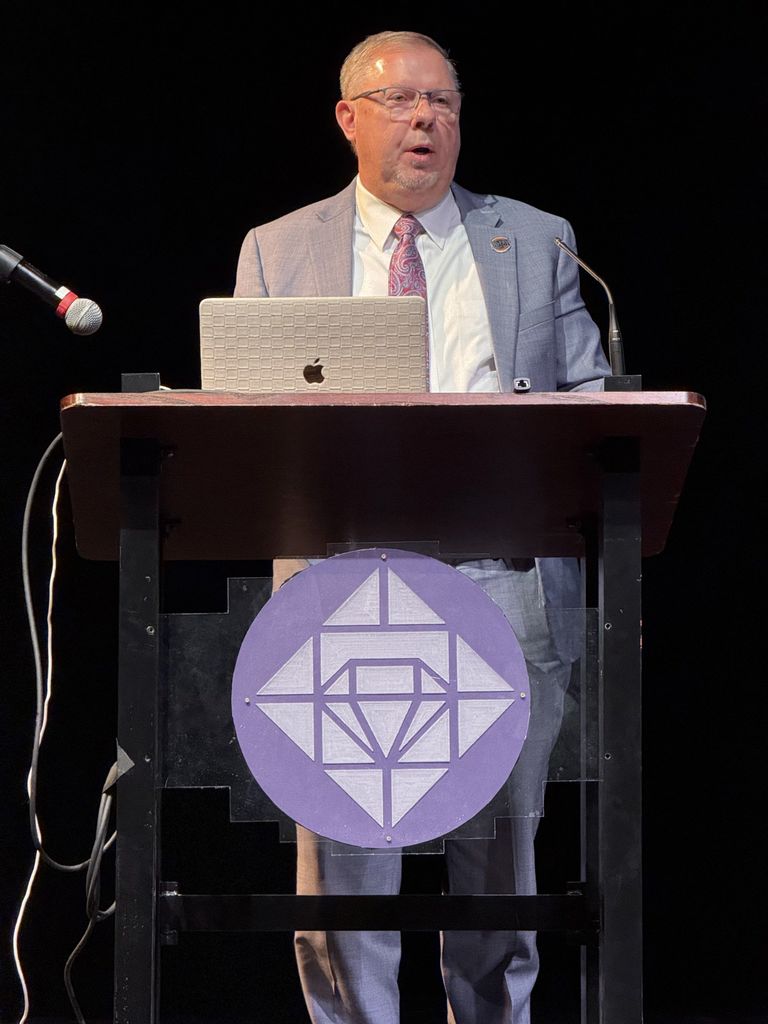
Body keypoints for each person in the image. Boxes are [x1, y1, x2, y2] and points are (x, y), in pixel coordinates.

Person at [235, 30, 610, 1024]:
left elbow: (594, 405)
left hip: (500, 579)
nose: (426, 119)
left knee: (499, 861)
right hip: (339, 586)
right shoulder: (278, 249)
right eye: (400, 100)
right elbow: (243, 422)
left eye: (442, 101)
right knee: (347, 866)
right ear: (349, 118)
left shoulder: (537, 239)